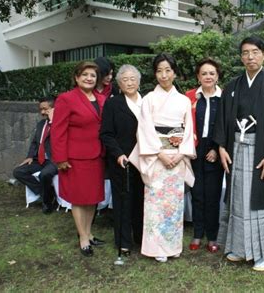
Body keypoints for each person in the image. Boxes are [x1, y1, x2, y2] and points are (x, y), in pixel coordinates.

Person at [214, 36, 264, 272]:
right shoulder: (233, 86)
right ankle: (238, 247)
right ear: (241, 57)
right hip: (235, 146)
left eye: (255, 52)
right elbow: (223, 118)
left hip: (262, 149)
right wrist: (222, 147)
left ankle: (261, 252)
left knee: (259, 200)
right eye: (245, 53)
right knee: (237, 198)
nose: (250, 57)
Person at [129, 53, 196, 262]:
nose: (164, 75)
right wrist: (159, 153)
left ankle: (172, 245)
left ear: (175, 73)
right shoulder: (148, 99)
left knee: (174, 204)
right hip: (156, 157)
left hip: (176, 157)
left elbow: (188, 130)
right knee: (155, 204)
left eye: (168, 70)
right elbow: (144, 130)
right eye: (159, 71)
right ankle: (156, 248)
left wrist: (181, 153)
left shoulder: (184, 100)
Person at [51, 61, 107, 257]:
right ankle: (82, 237)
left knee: (92, 198)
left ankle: (89, 233)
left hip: (97, 156)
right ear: (76, 77)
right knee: (79, 198)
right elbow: (57, 130)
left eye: (92, 75)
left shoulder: (101, 99)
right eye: (85, 75)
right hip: (75, 158)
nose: (89, 78)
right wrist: (60, 158)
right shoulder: (66, 99)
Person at [100, 64, 144, 257]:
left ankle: (142, 239)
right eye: (124, 79)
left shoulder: (148, 101)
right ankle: (124, 242)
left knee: (142, 201)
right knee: (123, 201)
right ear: (118, 83)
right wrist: (118, 154)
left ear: (139, 81)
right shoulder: (113, 104)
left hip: (146, 160)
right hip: (123, 161)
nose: (129, 82)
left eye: (132, 79)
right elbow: (106, 134)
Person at [185, 58, 224, 253]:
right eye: (204, 73)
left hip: (215, 150)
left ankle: (213, 236)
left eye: (211, 73)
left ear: (217, 76)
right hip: (195, 148)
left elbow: (227, 126)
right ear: (198, 77)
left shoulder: (225, 98)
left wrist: (217, 149)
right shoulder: (190, 97)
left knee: (213, 195)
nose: (208, 76)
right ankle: (197, 233)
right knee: (197, 193)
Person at [13, 97, 57, 214]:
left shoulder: (60, 124)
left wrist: (54, 121)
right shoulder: (41, 124)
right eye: (40, 109)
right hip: (39, 160)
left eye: (45, 109)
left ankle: (47, 204)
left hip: (54, 160)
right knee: (18, 172)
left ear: (54, 109)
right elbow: (35, 142)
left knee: (45, 174)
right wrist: (30, 156)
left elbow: (59, 139)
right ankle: (47, 193)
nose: (42, 112)